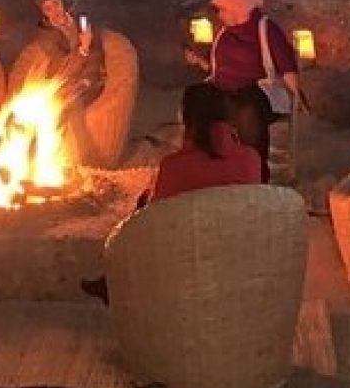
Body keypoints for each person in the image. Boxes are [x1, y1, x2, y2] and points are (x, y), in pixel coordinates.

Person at [80, 82, 260, 304]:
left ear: (186, 119)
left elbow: (159, 218)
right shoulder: (251, 159)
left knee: (141, 214)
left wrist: (145, 200)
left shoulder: (174, 167)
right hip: (234, 251)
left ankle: (113, 281)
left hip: (185, 255)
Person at [184, 0, 303, 184]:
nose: (219, 15)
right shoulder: (225, 33)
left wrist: (296, 94)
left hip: (257, 91)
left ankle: (253, 173)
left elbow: (286, 64)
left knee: (247, 106)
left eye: (222, 10)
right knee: (196, 96)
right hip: (225, 90)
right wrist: (199, 61)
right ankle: (203, 160)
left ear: (237, 8)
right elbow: (219, 69)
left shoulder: (265, 29)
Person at [30, 0, 106, 114]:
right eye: (48, 9)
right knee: (70, 105)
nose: (55, 11)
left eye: (56, 3)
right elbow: (64, 66)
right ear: (43, 13)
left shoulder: (81, 21)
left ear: (61, 2)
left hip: (88, 76)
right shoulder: (45, 36)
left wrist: (89, 77)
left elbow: (97, 51)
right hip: (63, 79)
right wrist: (83, 49)